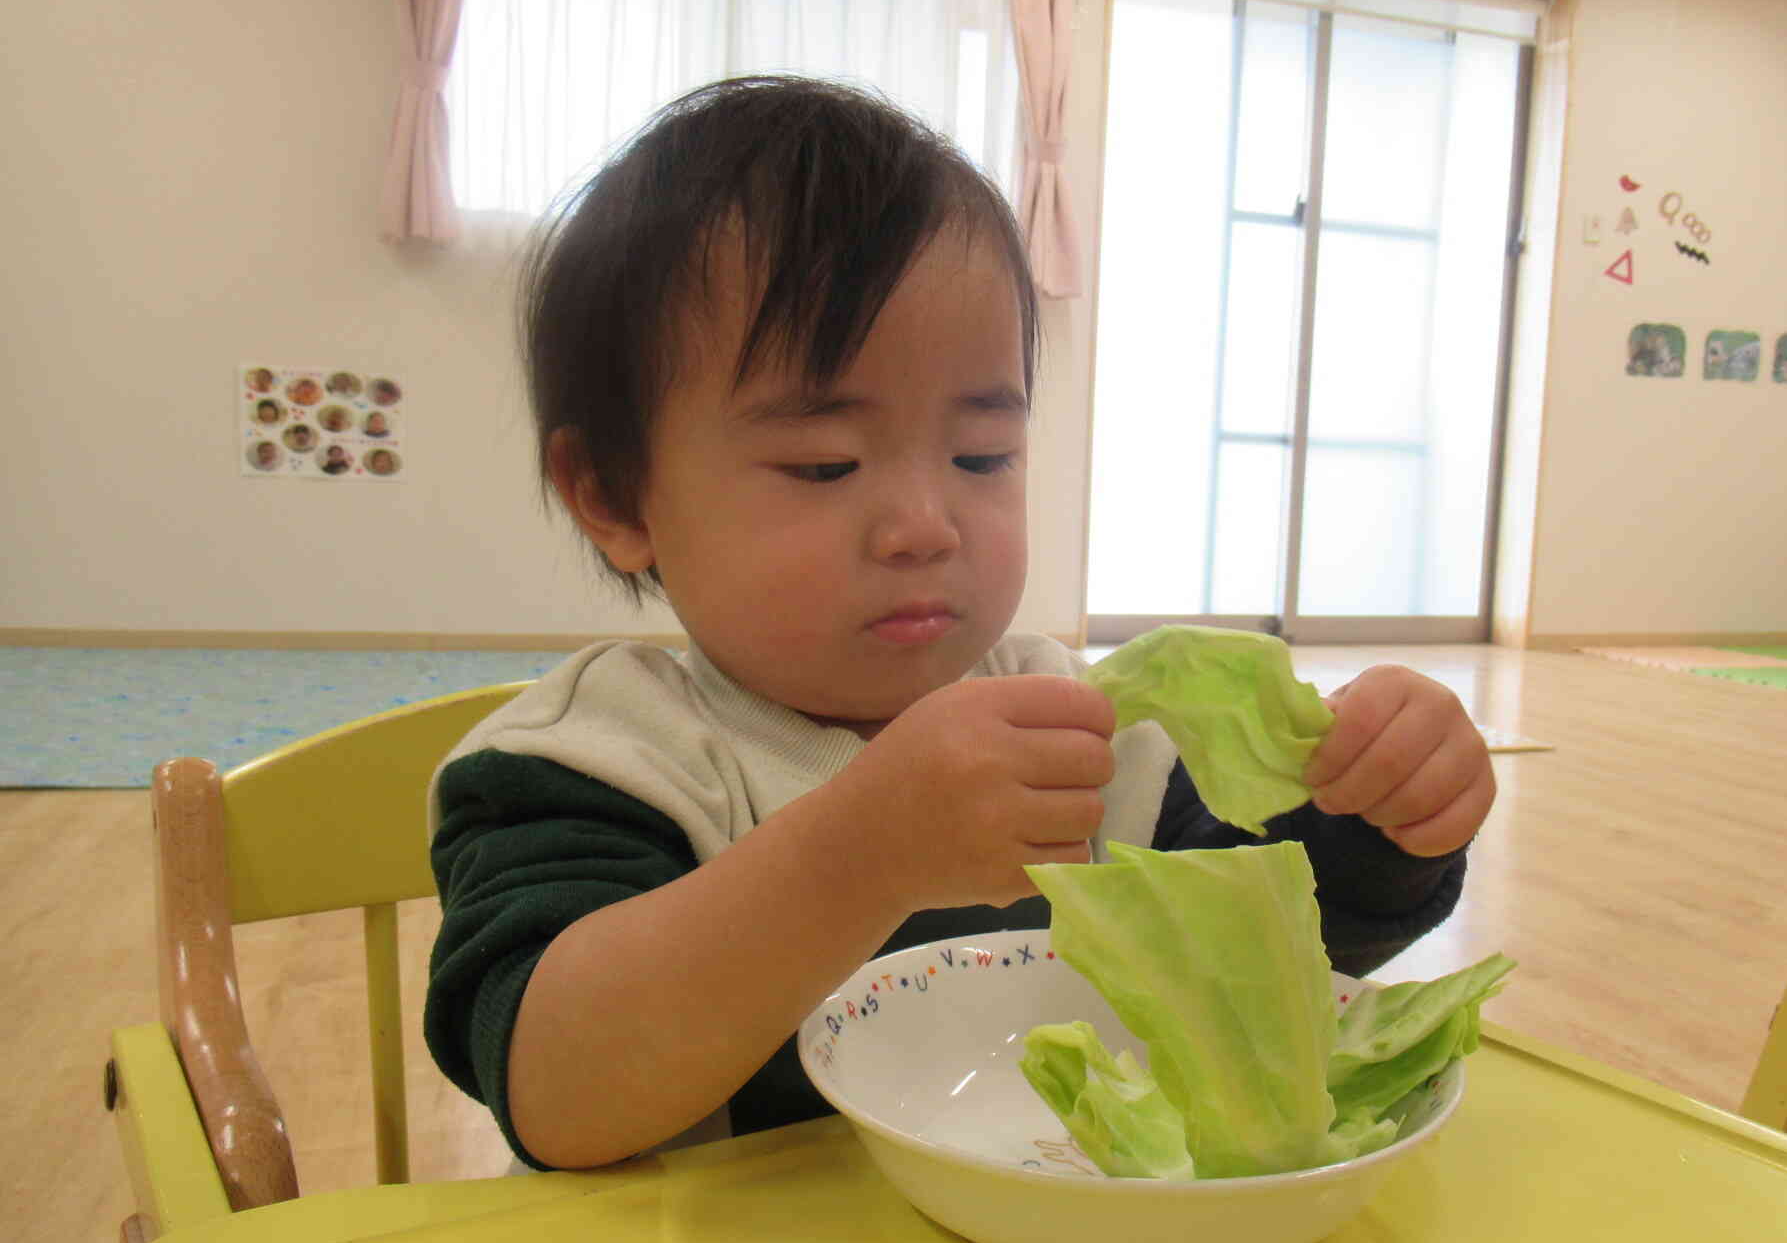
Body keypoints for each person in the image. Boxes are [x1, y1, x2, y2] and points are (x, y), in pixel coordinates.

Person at [424, 75, 1496, 1173]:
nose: (924, 526)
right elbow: (557, 1094)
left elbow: (1279, 963)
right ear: (611, 494)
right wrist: (859, 854)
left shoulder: (1089, 730)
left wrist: (1376, 818)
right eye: (823, 464)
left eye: (982, 456)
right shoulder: (599, 758)